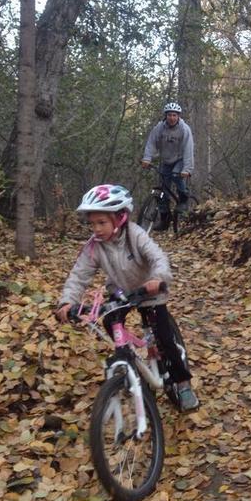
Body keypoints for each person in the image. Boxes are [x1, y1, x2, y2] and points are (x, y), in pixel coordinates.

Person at [55, 184, 199, 411]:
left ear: (120, 218)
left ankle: (183, 383)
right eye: (92, 224)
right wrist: (67, 301)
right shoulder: (94, 247)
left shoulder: (135, 235)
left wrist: (158, 278)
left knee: (165, 339)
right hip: (121, 294)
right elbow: (79, 274)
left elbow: (157, 257)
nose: (96, 229)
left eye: (102, 223)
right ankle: (133, 360)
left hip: (149, 292)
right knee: (110, 322)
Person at [141, 101, 195, 231]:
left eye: (174, 115)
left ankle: (183, 198)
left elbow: (189, 149)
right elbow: (151, 143)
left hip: (180, 159)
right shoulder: (159, 128)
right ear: (166, 116)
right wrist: (147, 159)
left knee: (177, 176)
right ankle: (165, 220)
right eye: (169, 115)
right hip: (166, 160)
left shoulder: (184, 129)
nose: (172, 118)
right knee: (164, 192)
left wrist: (187, 169)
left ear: (178, 117)